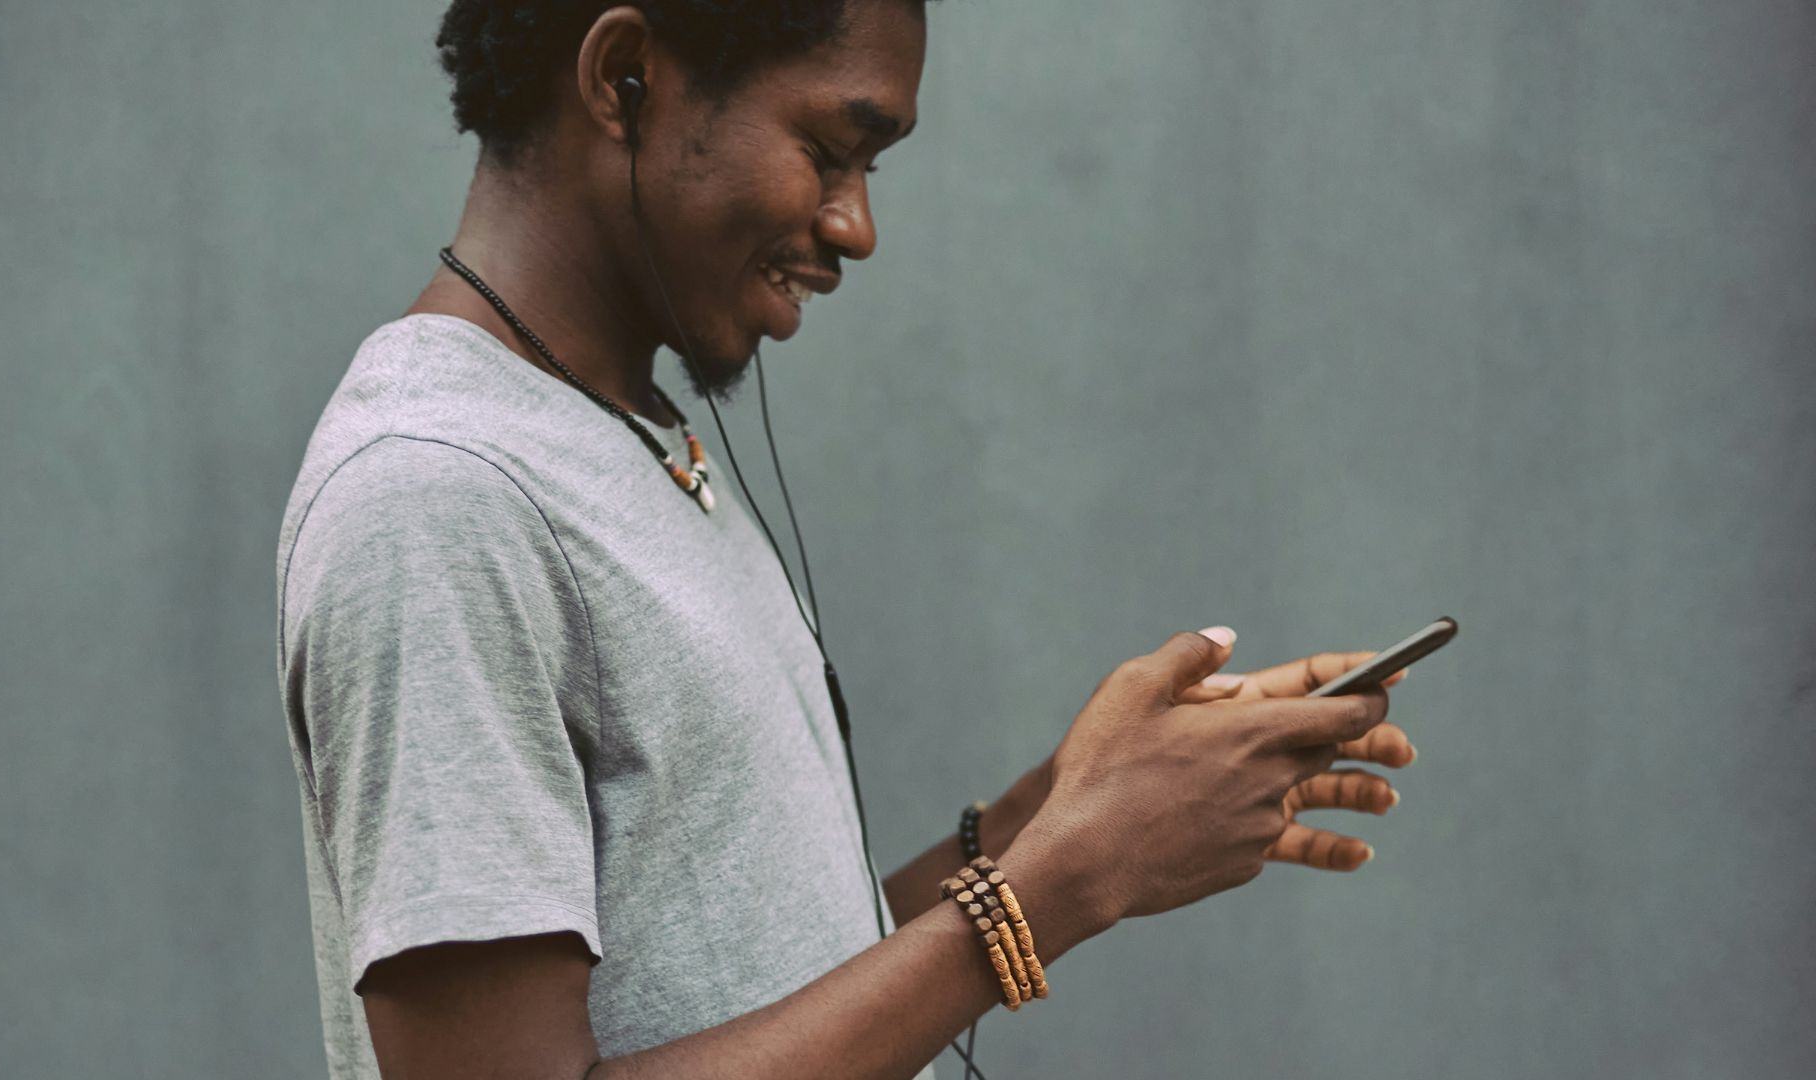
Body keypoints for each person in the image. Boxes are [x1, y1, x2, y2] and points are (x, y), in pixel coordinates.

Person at [273, 2, 1419, 1077]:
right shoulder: (441, 496)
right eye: (832, 151)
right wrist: (1069, 876)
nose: (856, 227)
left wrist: (1060, 810)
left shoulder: (624, 438)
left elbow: (751, 976)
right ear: (623, 77)